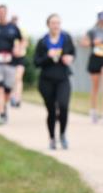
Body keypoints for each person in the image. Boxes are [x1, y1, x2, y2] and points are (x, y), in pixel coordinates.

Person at [33, 14, 76, 150]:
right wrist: (48, 56)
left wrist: (70, 58)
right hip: (46, 80)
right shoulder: (42, 42)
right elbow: (36, 62)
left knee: (63, 107)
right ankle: (52, 138)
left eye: (58, 23)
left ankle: (62, 134)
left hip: (63, 78)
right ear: (48, 25)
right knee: (51, 111)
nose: (56, 25)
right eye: (53, 23)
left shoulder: (66, 38)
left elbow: (73, 53)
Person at [82, 11, 103, 124]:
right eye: (101, 19)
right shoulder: (92, 31)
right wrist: (93, 43)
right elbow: (84, 43)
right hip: (95, 58)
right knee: (95, 87)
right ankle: (93, 111)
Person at [10, 15, 28, 107]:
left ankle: (18, 98)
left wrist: (19, 49)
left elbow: (25, 42)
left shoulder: (22, 30)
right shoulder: (8, 31)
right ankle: (12, 96)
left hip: (20, 57)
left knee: (18, 78)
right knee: (12, 78)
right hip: (10, 58)